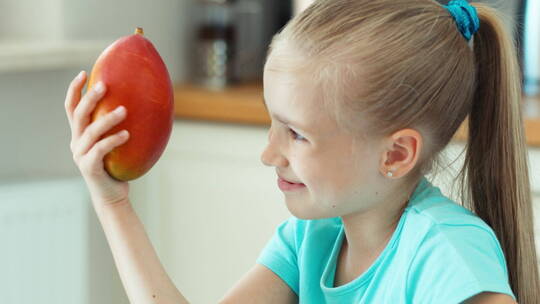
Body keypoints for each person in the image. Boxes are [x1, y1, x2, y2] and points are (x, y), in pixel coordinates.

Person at [64, 0, 539, 303]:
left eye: (296, 134)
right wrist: (112, 201)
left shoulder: (446, 254)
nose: (270, 154)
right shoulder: (309, 239)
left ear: (396, 155)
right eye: (273, 124)